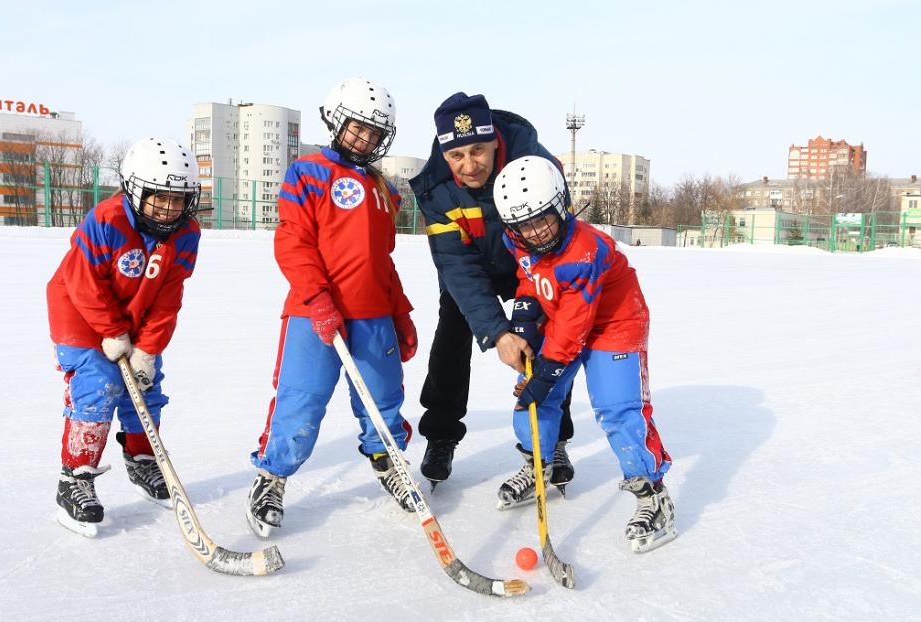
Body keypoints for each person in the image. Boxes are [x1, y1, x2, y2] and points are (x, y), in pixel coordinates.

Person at [246, 77, 418, 538]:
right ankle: (272, 478)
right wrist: (318, 298)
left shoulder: (383, 188)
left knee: (383, 401)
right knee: (300, 403)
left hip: (372, 316)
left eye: (375, 134)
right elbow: (293, 243)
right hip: (312, 315)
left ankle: (390, 463)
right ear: (336, 121)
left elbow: (382, 261)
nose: (365, 139)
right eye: (358, 128)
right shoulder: (308, 172)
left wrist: (399, 312)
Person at [492, 155, 677, 554]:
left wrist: (546, 372)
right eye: (524, 225)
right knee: (532, 397)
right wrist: (523, 316)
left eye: (543, 219)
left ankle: (652, 494)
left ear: (562, 205)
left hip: (614, 324)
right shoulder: (517, 239)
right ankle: (539, 464)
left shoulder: (586, 248)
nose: (536, 233)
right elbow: (530, 278)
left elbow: (575, 323)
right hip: (563, 319)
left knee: (617, 408)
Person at [410, 92, 574, 488]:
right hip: (473, 264)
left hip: (530, 262)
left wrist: (523, 319)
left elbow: (554, 245)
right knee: (453, 326)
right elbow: (456, 266)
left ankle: (553, 440)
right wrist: (498, 333)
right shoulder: (436, 188)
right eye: (457, 156)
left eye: (478, 150)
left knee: (550, 337)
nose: (469, 165)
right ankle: (441, 434)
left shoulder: (537, 166)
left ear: (495, 142)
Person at [47, 137, 202, 537]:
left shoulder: (186, 234)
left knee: (145, 384)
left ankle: (142, 459)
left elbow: (169, 298)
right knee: (100, 384)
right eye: (159, 197)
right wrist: (113, 333)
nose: (169, 208)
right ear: (136, 189)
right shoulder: (107, 220)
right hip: (80, 314)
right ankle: (75, 477)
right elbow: (82, 284)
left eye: (178, 198)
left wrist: (148, 348)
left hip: (136, 315)